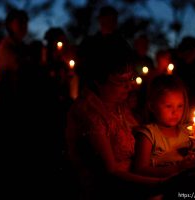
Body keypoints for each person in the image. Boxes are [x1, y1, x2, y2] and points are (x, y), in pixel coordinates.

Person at [65, 35, 164, 200]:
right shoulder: (89, 113)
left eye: (130, 78)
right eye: (121, 81)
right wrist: (163, 183)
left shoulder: (119, 103)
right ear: (98, 79)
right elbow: (112, 173)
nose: (130, 86)